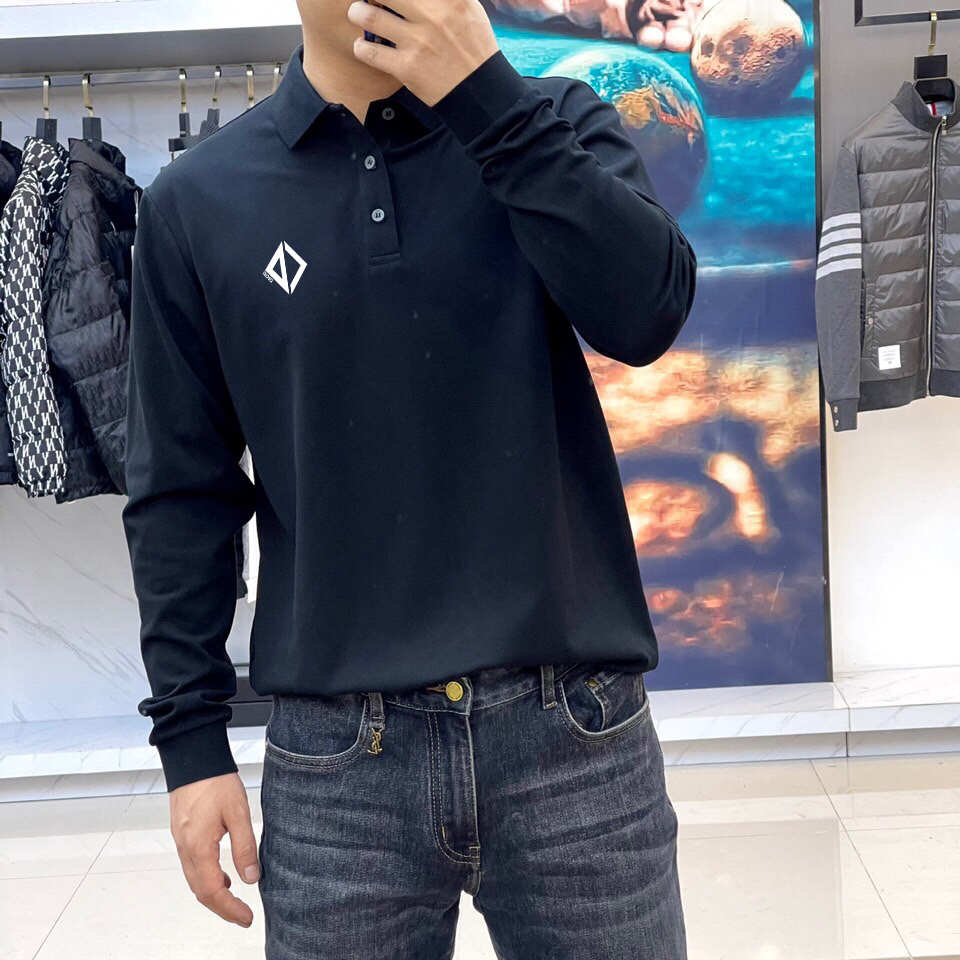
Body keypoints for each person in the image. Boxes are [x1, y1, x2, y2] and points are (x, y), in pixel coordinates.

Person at [121, 0, 697, 954]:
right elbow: (182, 491)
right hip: (337, 764)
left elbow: (646, 314)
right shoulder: (197, 201)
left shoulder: (554, 120)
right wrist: (190, 742)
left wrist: (488, 101)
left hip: (574, 734)